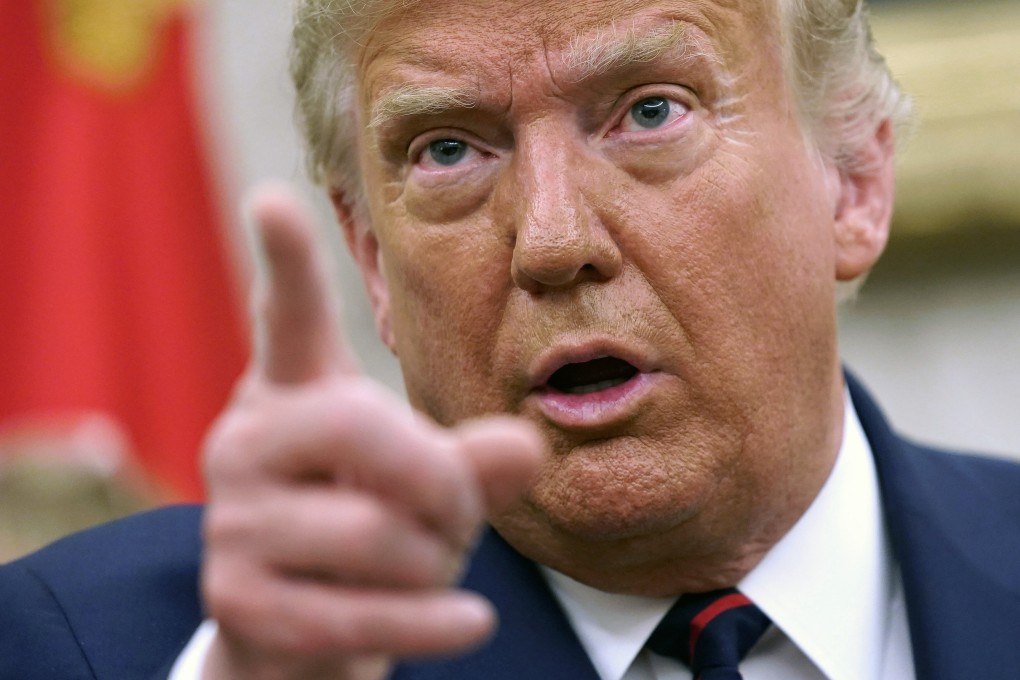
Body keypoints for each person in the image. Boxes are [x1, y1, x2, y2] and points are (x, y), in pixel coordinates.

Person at [1, 0, 1019, 679]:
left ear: (854, 180)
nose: (553, 238)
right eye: (449, 149)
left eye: (649, 112)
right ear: (369, 257)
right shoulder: (94, 644)